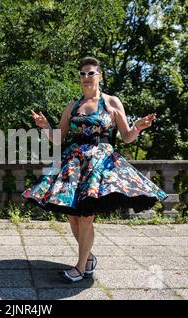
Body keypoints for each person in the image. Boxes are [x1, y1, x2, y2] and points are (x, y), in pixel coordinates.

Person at [23, 57, 167, 282]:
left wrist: (138, 126)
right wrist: (44, 127)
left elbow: (127, 136)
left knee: (86, 216)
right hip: (73, 163)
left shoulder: (111, 102)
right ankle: (88, 258)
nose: (86, 77)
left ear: (99, 76)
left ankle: (80, 268)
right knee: (73, 216)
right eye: (83, 74)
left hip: (100, 163)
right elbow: (59, 138)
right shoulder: (71, 107)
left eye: (91, 73)